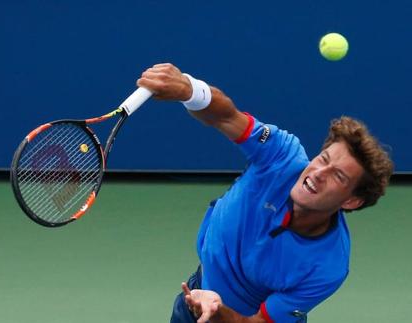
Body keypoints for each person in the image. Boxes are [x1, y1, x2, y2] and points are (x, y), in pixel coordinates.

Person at [137, 63, 393, 323]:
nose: (318, 173)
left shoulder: (326, 267)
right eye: (323, 159)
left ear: (351, 200)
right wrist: (188, 89)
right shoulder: (282, 156)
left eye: (338, 176)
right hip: (195, 298)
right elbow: (226, 116)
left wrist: (216, 311)